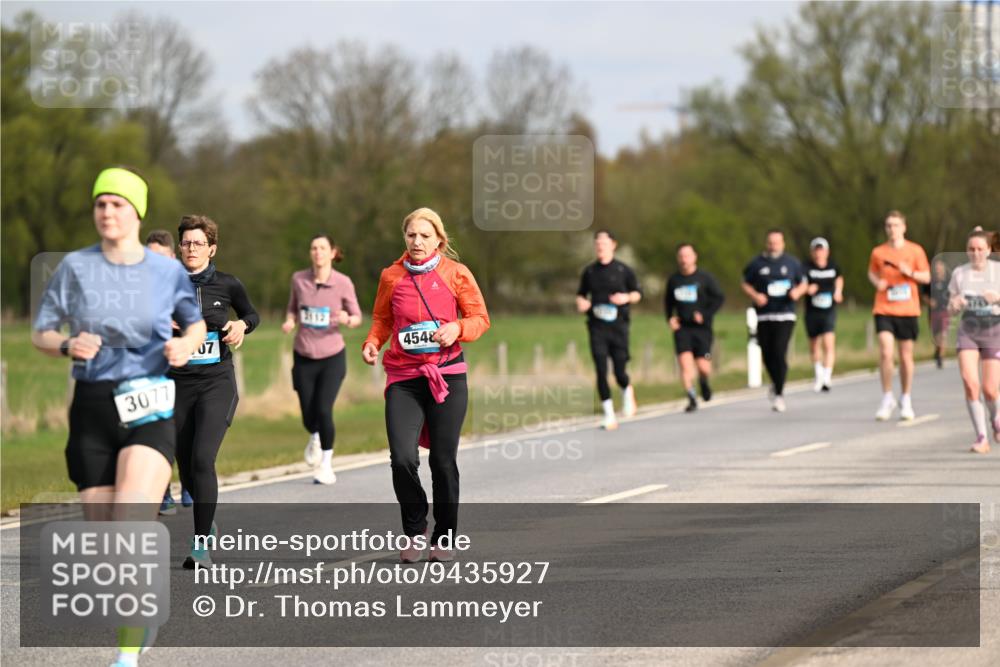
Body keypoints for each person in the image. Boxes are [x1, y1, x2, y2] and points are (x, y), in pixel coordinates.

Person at [32, 166, 205, 667]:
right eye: (100, 204)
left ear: (137, 212)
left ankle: (127, 656)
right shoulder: (75, 268)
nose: (107, 212)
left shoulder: (166, 272)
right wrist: (67, 343)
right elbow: (41, 331)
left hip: (149, 405)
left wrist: (184, 346)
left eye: (118, 204)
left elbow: (194, 326)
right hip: (92, 408)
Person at [362, 207, 489, 563]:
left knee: (443, 461)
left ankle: (444, 536)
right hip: (404, 378)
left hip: (447, 377)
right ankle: (415, 530)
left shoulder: (456, 273)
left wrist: (457, 328)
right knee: (402, 459)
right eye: (411, 235)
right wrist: (372, 342)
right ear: (405, 238)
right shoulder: (391, 276)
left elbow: (480, 318)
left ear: (439, 241)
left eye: (424, 236)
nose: (417, 241)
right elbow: (382, 319)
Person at [171, 215, 259, 568]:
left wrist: (241, 325)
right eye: (186, 243)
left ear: (212, 249)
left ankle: (201, 547)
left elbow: (252, 315)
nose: (191, 248)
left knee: (203, 458)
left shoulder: (228, 283)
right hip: (176, 384)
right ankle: (206, 519)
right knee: (185, 466)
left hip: (216, 382)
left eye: (198, 243)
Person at [282, 235, 362, 485]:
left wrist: (348, 319)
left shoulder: (343, 283)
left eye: (322, 248)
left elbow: (357, 316)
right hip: (304, 355)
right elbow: (293, 308)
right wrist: (290, 321)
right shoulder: (299, 279)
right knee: (309, 415)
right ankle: (314, 435)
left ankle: (326, 464)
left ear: (332, 253)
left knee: (324, 409)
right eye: (314, 248)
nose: (317, 252)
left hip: (332, 356)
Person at [144, 230, 195, 516]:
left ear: (173, 258)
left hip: (182, 370)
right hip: (150, 370)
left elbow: (199, 323)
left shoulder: (184, 284)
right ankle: (163, 492)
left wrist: (184, 326)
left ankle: (188, 481)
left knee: (181, 430)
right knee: (155, 432)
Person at [868, 210, 931, 421]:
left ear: (904, 227)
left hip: (908, 309)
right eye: (888, 225)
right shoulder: (878, 252)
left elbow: (927, 276)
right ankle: (887, 397)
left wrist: (910, 273)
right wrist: (877, 283)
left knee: (905, 356)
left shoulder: (915, 250)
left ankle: (906, 397)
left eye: (896, 225)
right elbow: (871, 272)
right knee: (886, 352)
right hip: (884, 308)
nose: (892, 229)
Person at [576, 230, 642, 429]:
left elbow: (638, 293)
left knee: (620, 371)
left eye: (604, 243)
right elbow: (581, 294)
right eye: (597, 243)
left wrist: (626, 298)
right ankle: (609, 414)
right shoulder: (589, 272)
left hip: (619, 326)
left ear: (613, 245)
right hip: (597, 327)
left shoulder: (623, 270)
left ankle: (627, 390)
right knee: (600, 370)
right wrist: (581, 303)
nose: (600, 246)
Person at [741, 229, 808, 412]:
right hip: (764, 315)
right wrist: (755, 296)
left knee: (779, 351)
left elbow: (804, 283)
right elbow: (745, 283)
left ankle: (779, 393)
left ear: (783, 243)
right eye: (771, 243)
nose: (773, 246)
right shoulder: (757, 263)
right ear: (766, 243)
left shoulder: (792, 263)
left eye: (777, 242)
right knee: (767, 354)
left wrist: (797, 292)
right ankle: (775, 382)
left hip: (785, 314)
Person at [948, 230, 1000, 453]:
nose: (976, 253)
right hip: (968, 331)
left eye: (980, 249)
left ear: (988, 250)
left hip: (994, 331)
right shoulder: (960, 274)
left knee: (990, 390)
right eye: (971, 249)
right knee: (970, 383)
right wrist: (955, 305)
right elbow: (950, 308)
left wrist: (997, 298)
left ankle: (996, 418)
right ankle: (981, 437)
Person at [665, 242, 724, 412]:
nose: (684, 259)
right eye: (681, 256)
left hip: (702, 329)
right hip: (682, 329)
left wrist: (705, 314)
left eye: (687, 256)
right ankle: (691, 397)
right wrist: (670, 318)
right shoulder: (674, 280)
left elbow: (719, 298)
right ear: (678, 258)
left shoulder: (705, 278)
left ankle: (704, 381)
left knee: (704, 367)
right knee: (685, 366)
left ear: (694, 257)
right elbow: (668, 302)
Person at [803, 237, 844, 392]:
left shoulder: (833, 267)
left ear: (827, 252)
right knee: (814, 345)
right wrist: (807, 289)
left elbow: (839, 279)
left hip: (828, 310)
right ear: (812, 252)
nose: (819, 253)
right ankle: (818, 375)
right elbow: (800, 283)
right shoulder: (806, 267)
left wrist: (838, 292)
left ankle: (827, 377)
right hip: (812, 311)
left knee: (828, 342)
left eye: (821, 250)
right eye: (816, 250)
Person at [924, 257, 952, 369]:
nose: (938, 271)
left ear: (944, 269)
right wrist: (929, 301)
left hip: (945, 311)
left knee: (943, 334)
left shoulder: (948, 282)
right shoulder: (930, 282)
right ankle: (937, 350)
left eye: (940, 268)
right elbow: (924, 295)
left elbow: (954, 294)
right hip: (933, 312)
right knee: (935, 335)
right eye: (936, 269)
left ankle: (940, 356)